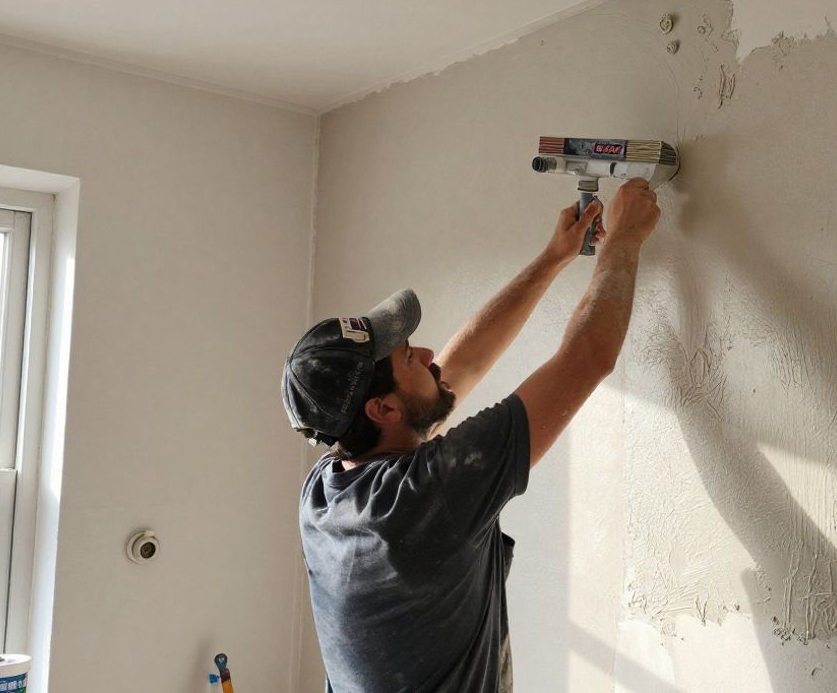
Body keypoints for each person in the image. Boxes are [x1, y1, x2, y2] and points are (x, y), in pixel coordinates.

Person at [280, 179, 661, 693]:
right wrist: (625, 240)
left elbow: (459, 369)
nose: (429, 354)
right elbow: (587, 359)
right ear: (383, 408)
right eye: (408, 355)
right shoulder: (428, 496)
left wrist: (552, 258)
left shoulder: (325, 491)